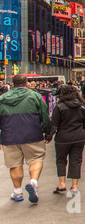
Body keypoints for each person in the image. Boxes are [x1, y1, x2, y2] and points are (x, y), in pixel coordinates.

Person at [0, 75, 51, 203]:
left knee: (14, 164)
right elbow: (44, 114)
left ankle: (17, 192)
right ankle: (33, 182)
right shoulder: (34, 96)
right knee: (36, 158)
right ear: (27, 84)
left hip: (10, 135)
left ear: (12, 84)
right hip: (32, 133)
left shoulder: (2, 98)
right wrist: (47, 131)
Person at [47, 85, 85, 194]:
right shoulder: (81, 107)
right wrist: (81, 130)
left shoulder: (59, 107)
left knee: (61, 160)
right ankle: (74, 186)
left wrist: (49, 136)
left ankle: (62, 184)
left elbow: (54, 124)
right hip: (78, 137)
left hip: (63, 137)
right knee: (76, 160)